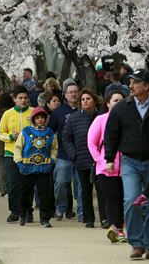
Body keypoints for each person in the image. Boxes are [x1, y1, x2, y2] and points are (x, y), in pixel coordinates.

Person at [104, 68, 149, 260]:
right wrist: (109, 158)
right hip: (130, 161)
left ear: (147, 86)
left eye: (136, 82)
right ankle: (136, 243)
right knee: (132, 199)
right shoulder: (121, 108)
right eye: (130, 82)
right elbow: (111, 134)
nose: (131, 86)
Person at [88, 87, 128, 243]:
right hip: (106, 169)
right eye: (115, 100)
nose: (119, 103)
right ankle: (116, 229)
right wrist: (100, 160)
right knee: (112, 198)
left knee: (125, 198)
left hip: (126, 168)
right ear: (108, 103)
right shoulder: (100, 119)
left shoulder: (128, 119)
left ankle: (120, 228)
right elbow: (91, 143)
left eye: (121, 100)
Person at [62, 88, 106, 228]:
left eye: (88, 98)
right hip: (82, 159)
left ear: (94, 100)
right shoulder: (73, 119)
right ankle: (89, 219)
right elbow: (66, 138)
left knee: (102, 190)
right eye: (83, 99)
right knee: (85, 190)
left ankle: (105, 218)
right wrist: (73, 154)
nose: (86, 101)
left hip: (99, 160)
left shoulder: (101, 117)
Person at [14, 107, 58, 228]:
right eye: (37, 118)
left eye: (42, 118)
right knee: (25, 192)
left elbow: (54, 148)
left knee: (44, 193)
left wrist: (52, 159)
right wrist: (19, 161)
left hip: (43, 168)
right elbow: (18, 147)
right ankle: (23, 213)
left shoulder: (50, 133)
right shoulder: (26, 132)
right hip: (27, 167)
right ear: (33, 119)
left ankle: (44, 218)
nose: (40, 120)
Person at [0, 86, 33, 223]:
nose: (23, 101)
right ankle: (14, 211)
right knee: (12, 183)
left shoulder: (33, 112)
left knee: (28, 184)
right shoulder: (8, 114)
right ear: (14, 99)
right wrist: (10, 137)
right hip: (11, 153)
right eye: (20, 98)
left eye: (25, 98)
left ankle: (28, 210)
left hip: (29, 154)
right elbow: (0, 133)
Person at [49, 79, 80, 220]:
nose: (73, 94)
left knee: (81, 186)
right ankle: (60, 208)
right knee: (60, 182)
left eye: (75, 92)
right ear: (65, 95)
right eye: (70, 92)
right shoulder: (58, 112)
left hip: (82, 155)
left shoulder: (85, 109)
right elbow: (50, 132)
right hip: (63, 154)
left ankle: (82, 211)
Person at [0, 92, 14, 197]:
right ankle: (12, 188)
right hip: (13, 143)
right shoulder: (12, 112)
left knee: (1, 168)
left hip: (1, 143)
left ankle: (4, 190)